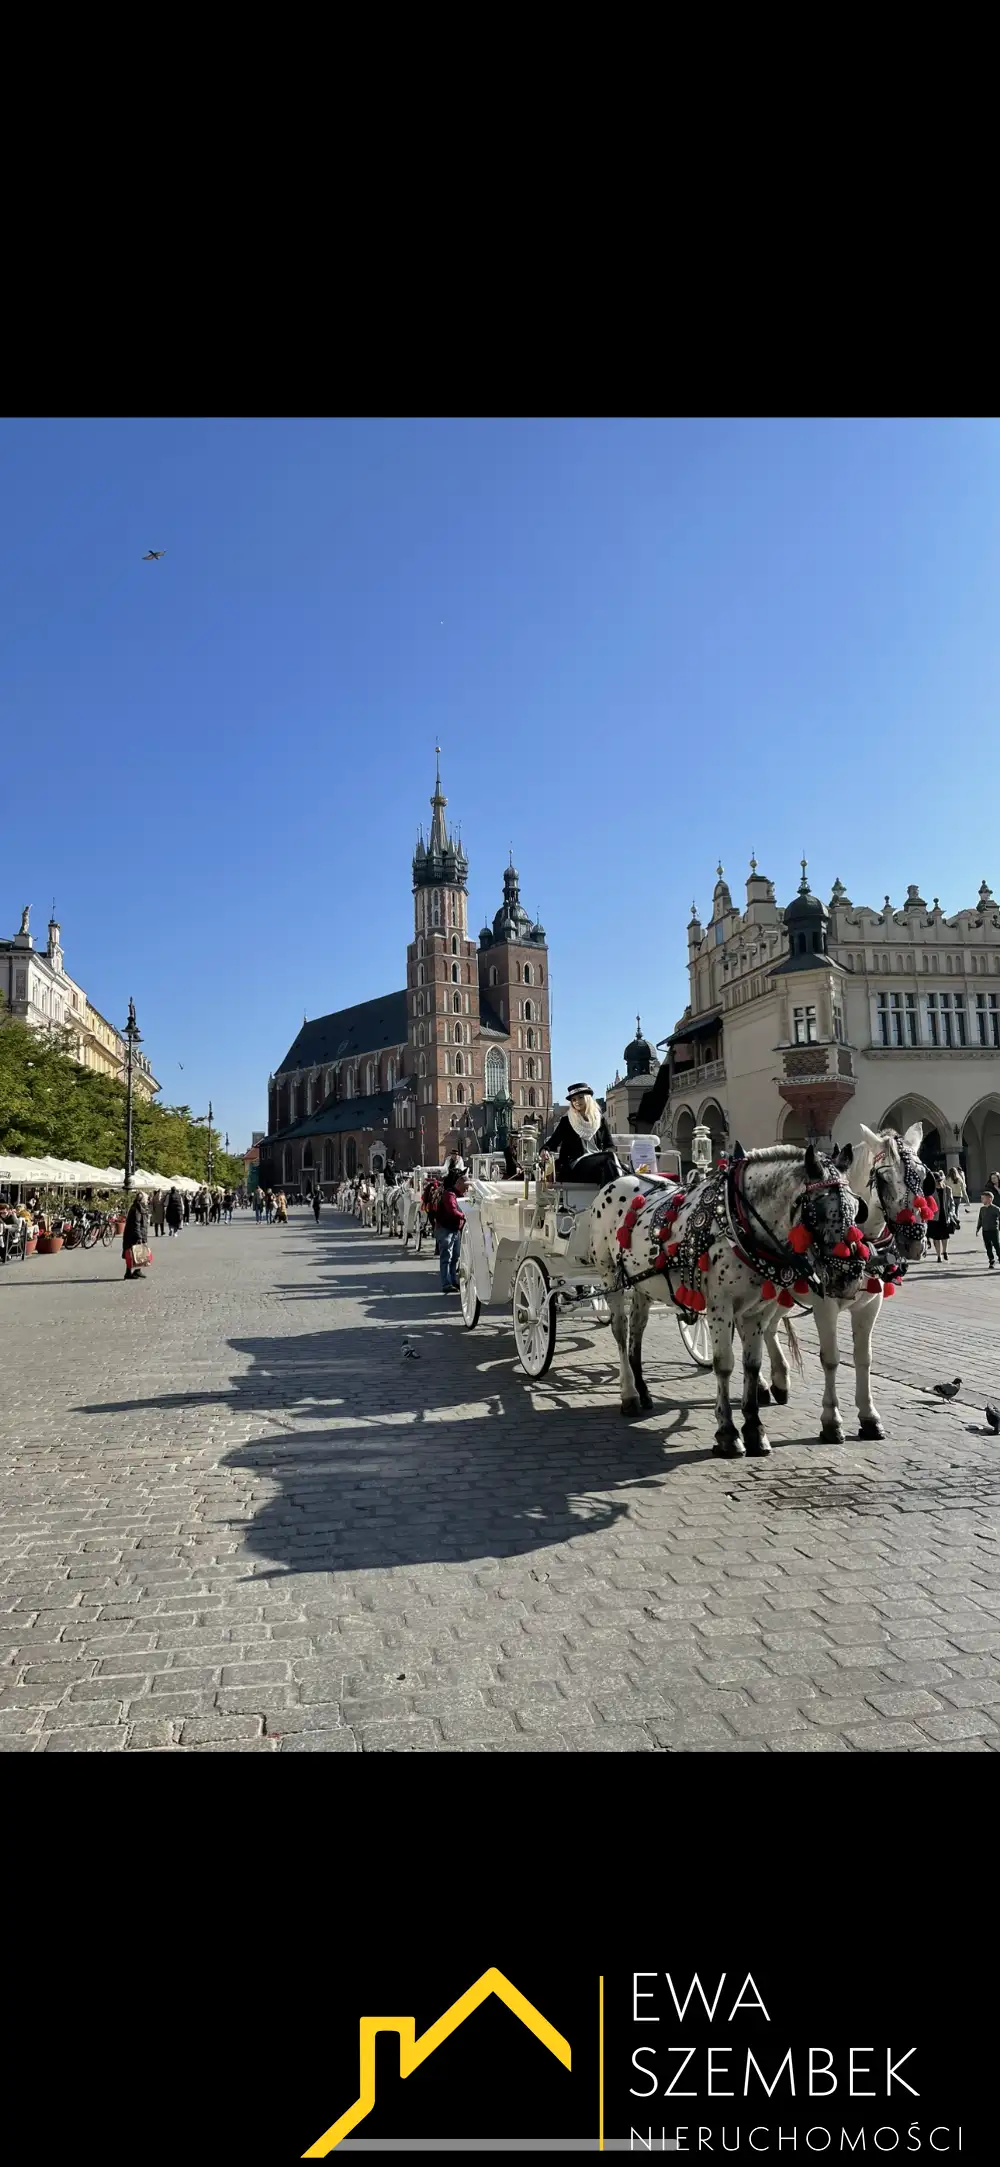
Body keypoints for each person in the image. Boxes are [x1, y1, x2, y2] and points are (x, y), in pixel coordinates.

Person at [542, 1084, 620, 1185]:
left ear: (588, 1098)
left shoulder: (600, 1120)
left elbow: (610, 1145)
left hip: (599, 1161)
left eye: (580, 1097)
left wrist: (606, 1152)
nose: (577, 1102)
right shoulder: (566, 1121)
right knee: (610, 1160)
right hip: (576, 1164)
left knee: (612, 1162)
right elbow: (553, 1142)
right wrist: (545, 1149)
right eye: (573, 1100)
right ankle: (614, 1194)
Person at [435, 1168, 467, 1293]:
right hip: (445, 1229)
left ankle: (453, 1281)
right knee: (446, 1257)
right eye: (465, 1187)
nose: (466, 1190)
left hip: (455, 1230)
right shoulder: (450, 1195)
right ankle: (446, 1283)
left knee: (455, 1257)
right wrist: (465, 1215)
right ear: (459, 1184)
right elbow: (452, 1211)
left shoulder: (460, 1195)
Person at [929, 1169, 957, 1262]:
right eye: (935, 1181)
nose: (937, 1183)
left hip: (945, 1215)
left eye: (938, 1181)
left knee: (945, 1236)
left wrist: (952, 1213)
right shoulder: (930, 1191)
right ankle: (938, 1255)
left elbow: (952, 1203)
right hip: (934, 1217)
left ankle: (945, 1251)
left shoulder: (947, 1189)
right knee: (936, 1237)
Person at [122, 1190, 150, 1280]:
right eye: (146, 1199)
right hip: (133, 1235)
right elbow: (136, 1224)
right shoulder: (136, 1209)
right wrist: (139, 1237)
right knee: (132, 1253)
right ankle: (129, 1272)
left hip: (136, 1233)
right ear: (142, 1199)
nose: (147, 1201)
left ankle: (136, 1270)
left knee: (138, 1253)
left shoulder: (140, 1208)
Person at [976, 1191, 1000, 1270]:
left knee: (996, 1245)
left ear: (989, 1199)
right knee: (988, 1246)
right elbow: (980, 1219)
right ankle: (991, 1260)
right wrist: (978, 1228)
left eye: (983, 1198)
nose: (982, 1200)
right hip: (985, 1230)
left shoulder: (996, 1209)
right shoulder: (982, 1209)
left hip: (993, 1230)